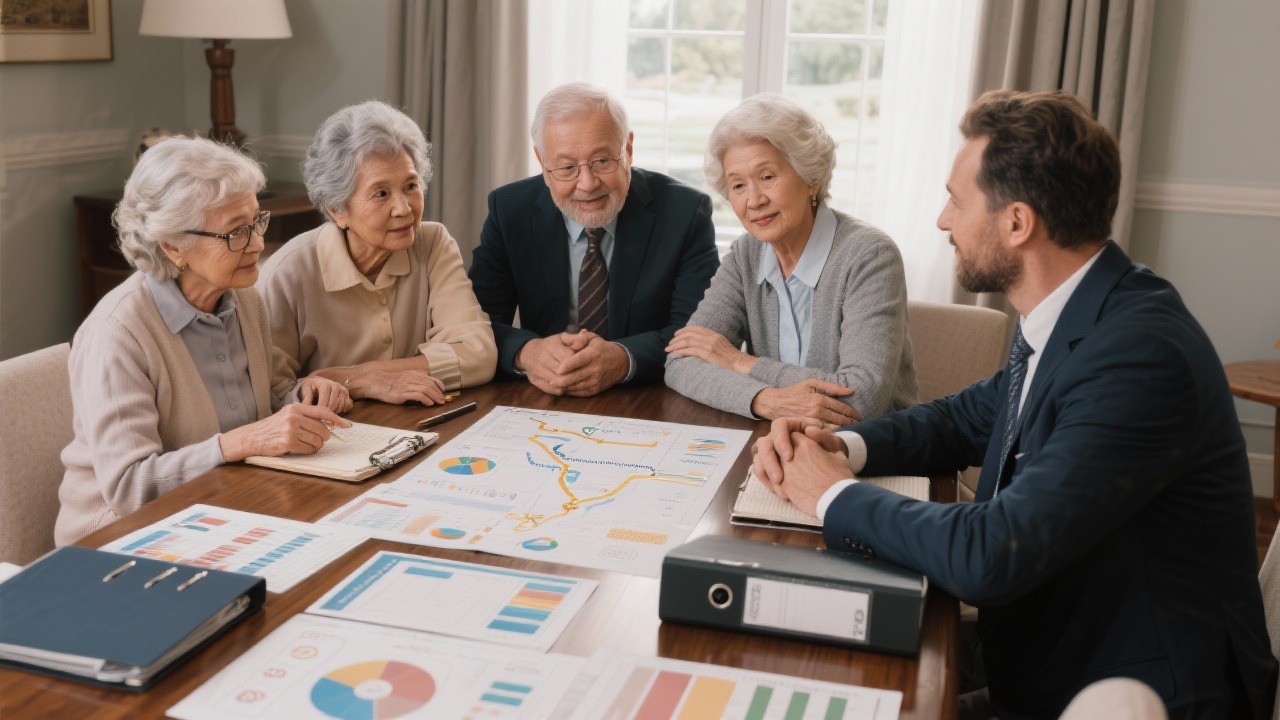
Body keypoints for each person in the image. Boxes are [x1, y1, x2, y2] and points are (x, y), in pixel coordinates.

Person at [752, 90, 1276, 720]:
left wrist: (829, 493)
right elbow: (967, 416)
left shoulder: (1139, 356)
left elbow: (991, 554)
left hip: (1129, 692)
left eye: (956, 200)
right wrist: (843, 447)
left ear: (1017, 223)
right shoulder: (1081, 305)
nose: (942, 221)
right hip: (1046, 648)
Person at [56, 137, 351, 546]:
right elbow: (128, 487)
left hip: (222, 514)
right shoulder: (117, 333)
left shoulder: (244, 298)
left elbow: (260, 405)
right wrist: (239, 443)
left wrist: (303, 395)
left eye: (256, 222)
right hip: (118, 542)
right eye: (235, 233)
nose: (257, 244)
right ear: (172, 246)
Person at [665, 94, 917, 425]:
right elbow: (680, 363)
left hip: (873, 450)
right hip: (779, 442)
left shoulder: (869, 255)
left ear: (811, 177)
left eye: (767, 177)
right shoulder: (745, 256)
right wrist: (764, 400)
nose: (754, 200)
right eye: (738, 185)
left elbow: (861, 398)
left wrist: (739, 362)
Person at [469, 82, 719, 396]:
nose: (587, 184)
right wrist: (526, 352)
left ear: (627, 148)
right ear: (542, 163)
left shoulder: (684, 214)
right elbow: (473, 324)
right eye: (567, 167)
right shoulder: (510, 210)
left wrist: (623, 358)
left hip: (649, 399)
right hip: (543, 397)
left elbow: (697, 333)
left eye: (602, 161)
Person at [257, 101, 496, 404]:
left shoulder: (433, 243)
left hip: (416, 424)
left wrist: (359, 376)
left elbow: (478, 353)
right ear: (337, 209)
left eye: (411, 185)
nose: (404, 208)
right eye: (381, 193)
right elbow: (270, 391)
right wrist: (365, 385)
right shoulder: (288, 273)